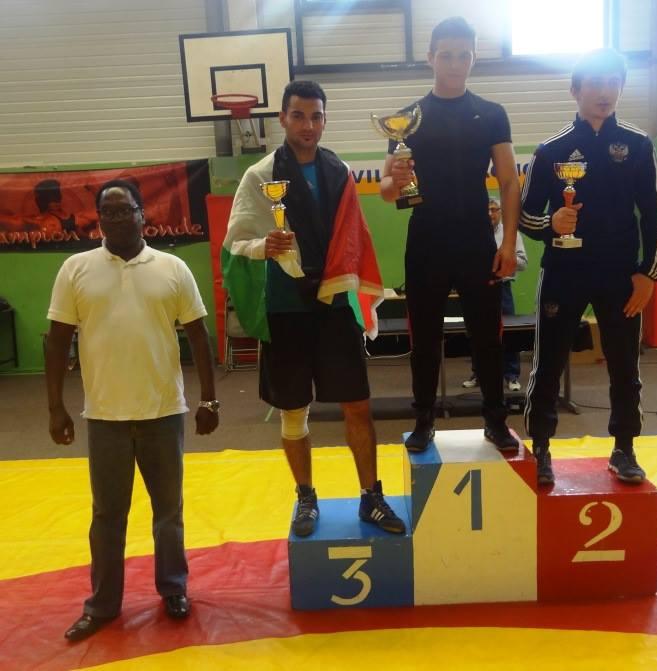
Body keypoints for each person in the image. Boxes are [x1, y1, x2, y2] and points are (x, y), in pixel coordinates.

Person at [222, 80, 405, 538]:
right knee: (293, 408)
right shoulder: (260, 175)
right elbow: (236, 241)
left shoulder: (338, 170)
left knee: (357, 404)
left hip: (334, 301)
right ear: (282, 118)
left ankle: (371, 496)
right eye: (299, 115)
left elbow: (353, 235)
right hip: (286, 306)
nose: (308, 125)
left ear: (325, 120)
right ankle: (306, 496)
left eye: (316, 116)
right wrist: (265, 246)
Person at [45, 179, 219, 642]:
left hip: (163, 411)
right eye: (109, 211)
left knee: (168, 511)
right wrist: (56, 407)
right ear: (99, 219)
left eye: (126, 210)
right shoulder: (76, 269)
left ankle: (174, 589)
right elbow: (57, 340)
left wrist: (208, 399)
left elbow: (199, 335)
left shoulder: (173, 268)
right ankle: (103, 604)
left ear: (144, 215)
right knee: (107, 515)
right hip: (104, 416)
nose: (118, 218)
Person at [520, 48, 657, 485]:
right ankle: (541, 448)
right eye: (595, 83)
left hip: (620, 275)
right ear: (575, 90)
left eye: (613, 82)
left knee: (624, 365)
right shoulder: (550, 151)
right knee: (548, 362)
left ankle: (624, 448)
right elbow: (525, 217)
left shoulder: (638, 146)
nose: (605, 92)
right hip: (563, 273)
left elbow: (655, 215)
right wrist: (551, 223)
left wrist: (649, 274)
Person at [380, 16, 521, 452]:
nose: (455, 64)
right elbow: (387, 191)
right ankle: (423, 419)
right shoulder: (406, 119)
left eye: (463, 55)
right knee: (424, 337)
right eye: (446, 55)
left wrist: (508, 243)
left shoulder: (491, 114)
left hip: (477, 242)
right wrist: (395, 179)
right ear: (430, 58)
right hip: (426, 243)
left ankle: (495, 420)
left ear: (473, 58)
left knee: (487, 336)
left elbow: (509, 181)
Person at [463, 198, 528, 392]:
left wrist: (505, 259)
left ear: (500, 212)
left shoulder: (510, 234)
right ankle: (478, 373)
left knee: (508, 333)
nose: (490, 214)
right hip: (478, 288)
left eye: (494, 209)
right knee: (478, 332)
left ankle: (511, 375)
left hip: (502, 288)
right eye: (487, 210)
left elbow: (523, 263)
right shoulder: (473, 233)